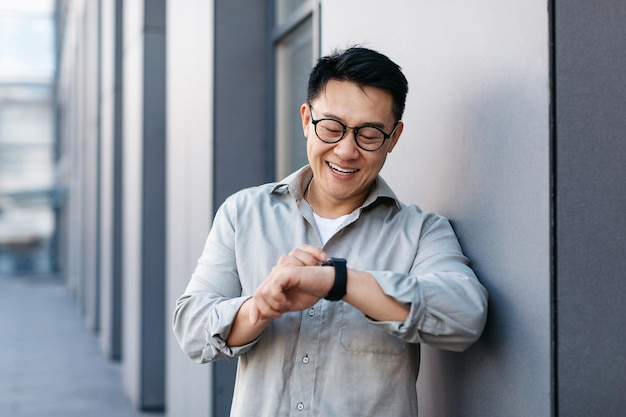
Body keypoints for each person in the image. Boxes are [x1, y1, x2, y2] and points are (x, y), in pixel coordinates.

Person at [173, 46, 488, 417]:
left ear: (394, 137)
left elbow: (466, 316)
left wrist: (338, 282)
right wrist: (259, 307)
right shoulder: (243, 213)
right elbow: (192, 330)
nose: (346, 150)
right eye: (332, 128)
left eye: (369, 134)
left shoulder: (421, 232)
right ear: (306, 119)